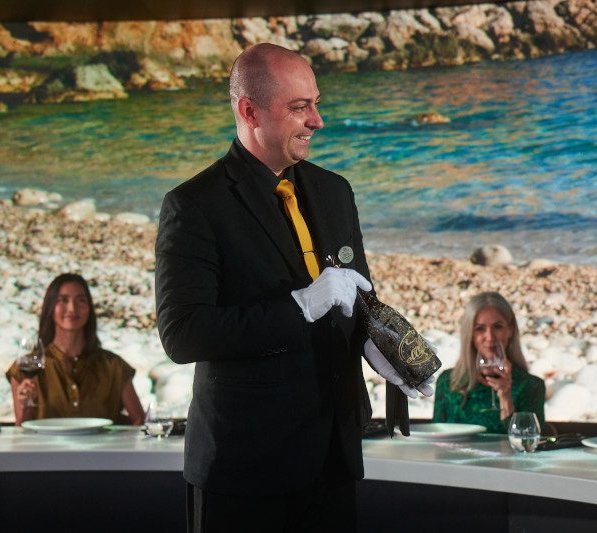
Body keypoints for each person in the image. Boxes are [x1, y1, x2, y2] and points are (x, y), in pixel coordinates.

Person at [154, 43, 430, 532]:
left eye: (316, 103)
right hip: (244, 469)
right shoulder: (194, 205)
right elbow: (183, 334)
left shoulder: (335, 191)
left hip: (333, 455)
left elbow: (356, 296)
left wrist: (385, 347)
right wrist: (301, 306)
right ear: (248, 111)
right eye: (300, 108)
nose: (317, 121)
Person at [6, 273, 145, 425]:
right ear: (50, 307)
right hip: (46, 449)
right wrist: (26, 404)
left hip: (101, 449)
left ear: (90, 308)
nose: (72, 308)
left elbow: (139, 420)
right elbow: (22, 430)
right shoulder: (24, 368)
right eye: (63, 300)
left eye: (81, 300)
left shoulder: (113, 365)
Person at [432, 292, 545, 433]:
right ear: (470, 333)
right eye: (480, 328)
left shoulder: (531, 386)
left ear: (510, 330)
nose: (490, 337)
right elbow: (436, 439)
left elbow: (529, 444)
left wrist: (506, 397)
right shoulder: (447, 382)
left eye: (498, 327)